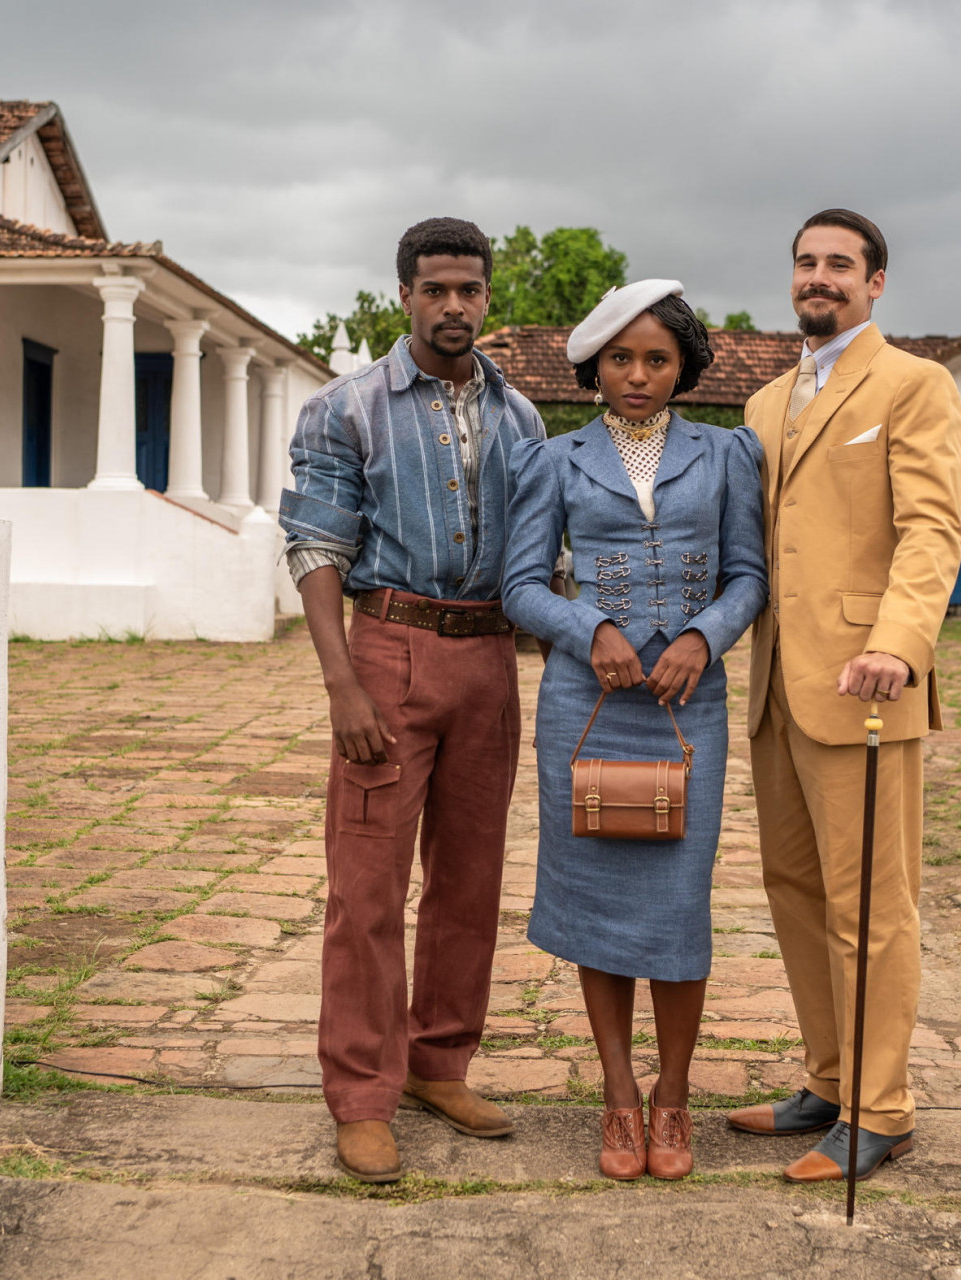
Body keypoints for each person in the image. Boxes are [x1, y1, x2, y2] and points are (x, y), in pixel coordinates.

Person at [280, 217, 547, 1184]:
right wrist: (342, 682)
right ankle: (360, 1094)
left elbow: (540, 552)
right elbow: (314, 545)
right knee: (365, 889)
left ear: (486, 297)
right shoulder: (346, 410)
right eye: (434, 290)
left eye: (468, 290)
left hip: (488, 661)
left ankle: (440, 1063)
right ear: (404, 295)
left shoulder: (520, 419)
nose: (453, 307)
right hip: (387, 654)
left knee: (470, 883)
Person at [501, 280, 767, 1181]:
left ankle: (675, 1096)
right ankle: (618, 1098)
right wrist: (590, 629)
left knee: (677, 906)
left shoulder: (729, 455)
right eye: (621, 358)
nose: (639, 375)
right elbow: (523, 587)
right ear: (593, 367)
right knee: (597, 905)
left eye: (657, 358)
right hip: (588, 710)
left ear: (684, 365)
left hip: (689, 710)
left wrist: (702, 635)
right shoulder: (554, 458)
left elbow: (749, 577)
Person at [723, 211, 961, 1182]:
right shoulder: (765, 403)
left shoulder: (915, 385)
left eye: (839, 264)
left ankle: (884, 1107)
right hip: (781, 683)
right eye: (805, 262)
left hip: (868, 680)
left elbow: (931, 527)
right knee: (794, 890)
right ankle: (828, 1078)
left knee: (873, 902)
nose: (818, 277)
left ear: (875, 283)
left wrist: (899, 643)